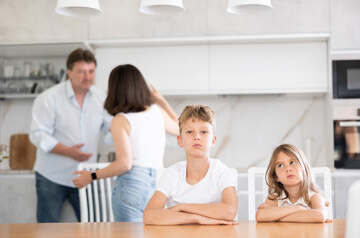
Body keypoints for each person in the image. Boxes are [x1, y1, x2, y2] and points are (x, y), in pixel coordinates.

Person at [72, 64, 179, 222]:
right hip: (157, 184)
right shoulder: (157, 112)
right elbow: (180, 128)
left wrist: (91, 176)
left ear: (115, 90)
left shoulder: (120, 120)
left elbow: (124, 164)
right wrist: (161, 101)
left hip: (132, 185)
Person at [29, 48, 113, 223]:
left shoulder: (101, 98)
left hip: (86, 176)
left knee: (95, 228)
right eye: (81, 71)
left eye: (91, 71)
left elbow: (110, 127)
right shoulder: (49, 98)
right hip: (52, 176)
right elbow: (37, 134)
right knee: (47, 231)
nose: (87, 77)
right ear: (69, 72)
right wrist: (68, 151)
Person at [143, 105, 238, 225]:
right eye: (189, 132)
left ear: (213, 141)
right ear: (180, 140)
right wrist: (196, 218)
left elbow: (229, 212)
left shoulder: (222, 172)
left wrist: (182, 207)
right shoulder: (172, 174)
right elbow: (149, 216)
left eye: (204, 132)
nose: (197, 137)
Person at [256, 143, 331, 223]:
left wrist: (276, 217)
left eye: (292, 162)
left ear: (303, 169)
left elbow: (320, 216)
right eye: (280, 165)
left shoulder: (313, 196)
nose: (288, 169)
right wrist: (297, 208)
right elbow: (260, 216)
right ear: (276, 177)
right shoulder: (275, 198)